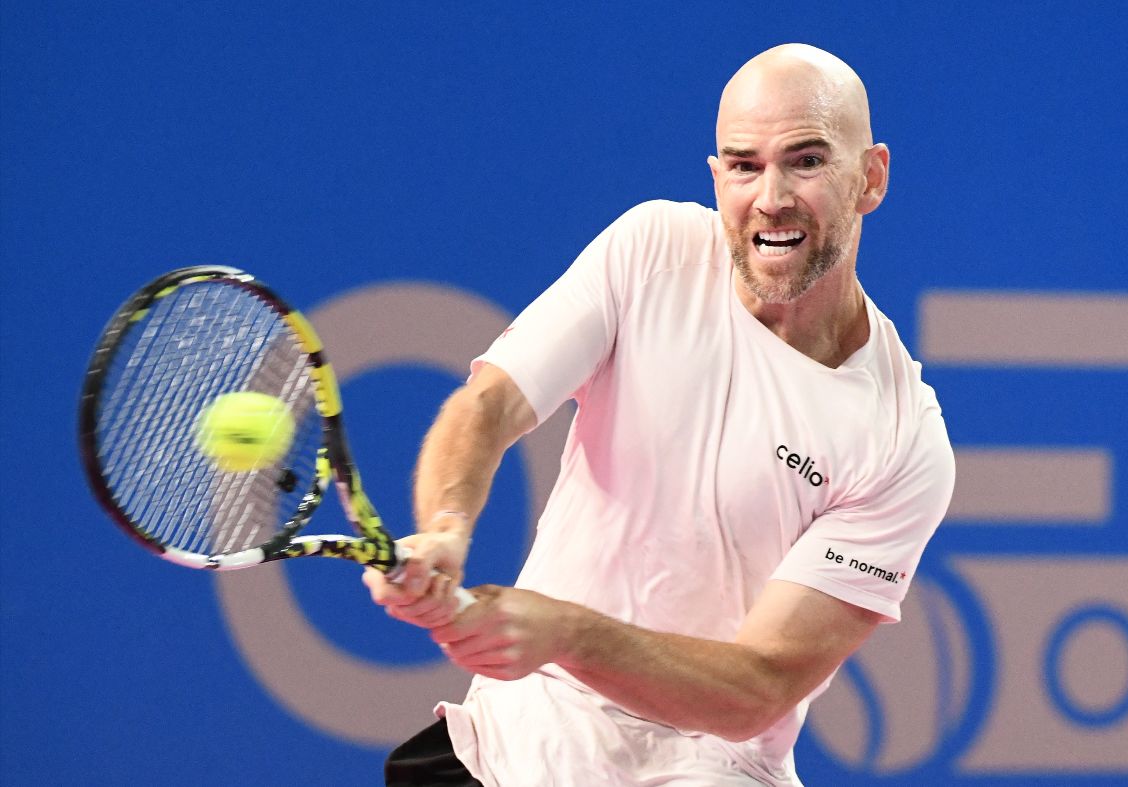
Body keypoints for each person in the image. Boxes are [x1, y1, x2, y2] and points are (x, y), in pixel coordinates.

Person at [364, 42, 956, 786]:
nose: (771, 197)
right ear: (717, 177)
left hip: (707, 765)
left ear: (870, 177)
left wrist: (567, 632)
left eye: (805, 161)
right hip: (516, 740)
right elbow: (491, 403)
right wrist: (447, 527)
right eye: (743, 166)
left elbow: (760, 686)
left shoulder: (902, 439)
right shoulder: (651, 251)